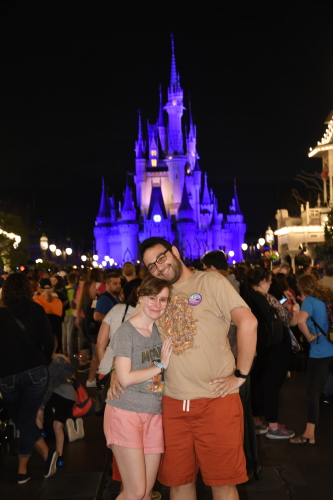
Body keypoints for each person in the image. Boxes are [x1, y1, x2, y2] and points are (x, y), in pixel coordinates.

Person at [111, 237, 257, 500]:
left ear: (175, 251)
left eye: (161, 258)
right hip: (171, 404)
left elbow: (248, 322)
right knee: (178, 483)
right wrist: (114, 372)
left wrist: (241, 375)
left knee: (223, 483)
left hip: (216, 401)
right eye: (150, 266)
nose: (158, 267)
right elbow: (131, 335)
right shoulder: (157, 295)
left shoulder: (210, 282)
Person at [104, 276, 173, 500]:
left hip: (153, 414)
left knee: (145, 494)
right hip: (126, 412)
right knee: (135, 492)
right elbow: (124, 378)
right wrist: (159, 365)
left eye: (163, 300)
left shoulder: (160, 331)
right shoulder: (126, 332)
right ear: (141, 298)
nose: (157, 304)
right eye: (152, 298)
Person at [201, 251, 260, 481]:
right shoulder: (237, 283)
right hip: (242, 360)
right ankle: (252, 464)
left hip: (235, 362)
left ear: (212, 269)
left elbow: (240, 326)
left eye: (205, 270)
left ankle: (244, 466)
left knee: (238, 416)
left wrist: (238, 371)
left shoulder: (223, 286)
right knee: (245, 413)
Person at [0, 273, 58, 483]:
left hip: (8, 375)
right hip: (36, 371)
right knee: (25, 418)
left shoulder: (2, 314)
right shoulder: (36, 309)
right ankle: (44, 454)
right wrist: (43, 361)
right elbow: (48, 341)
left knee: (21, 418)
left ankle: (23, 470)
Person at [242, 267, 295, 440]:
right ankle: (273, 425)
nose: (271, 283)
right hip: (275, 347)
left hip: (256, 346)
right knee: (273, 386)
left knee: (257, 383)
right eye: (269, 280)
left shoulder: (245, 297)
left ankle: (257, 422)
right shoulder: (269, 298)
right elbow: (286, 319)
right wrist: (288, 306)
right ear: (263, 281)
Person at [290, 275, 333, 445]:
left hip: (319, 353)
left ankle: (309, 434)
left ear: (301, 289)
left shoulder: (309, 301)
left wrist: (309, 337)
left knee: (313, 393)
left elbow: (301, 321)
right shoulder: (328, 297)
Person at [36, 353, 84, 466]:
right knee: (58, 426)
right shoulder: (63, 360)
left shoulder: (53, 363)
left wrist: (42, 408)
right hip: (70, 397)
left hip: (58, 394)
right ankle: (60, 458)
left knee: (37, 406)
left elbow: (48, 387)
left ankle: (41, 433)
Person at [34, 278, 63, 353]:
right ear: (51, 288)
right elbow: (61, 318)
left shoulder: (36, 301)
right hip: (57, 336)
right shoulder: (58, 301)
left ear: (40, 289)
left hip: (43, 336)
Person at [62, 273, 78, 359]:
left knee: (64, 333)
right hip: (70, 313)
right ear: (75, 280)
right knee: (70, 333)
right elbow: (71, 302)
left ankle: (64, 351)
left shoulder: (65, 288)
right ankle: (70, 353)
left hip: (63, 312)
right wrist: (74, 310)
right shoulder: (72, 290)